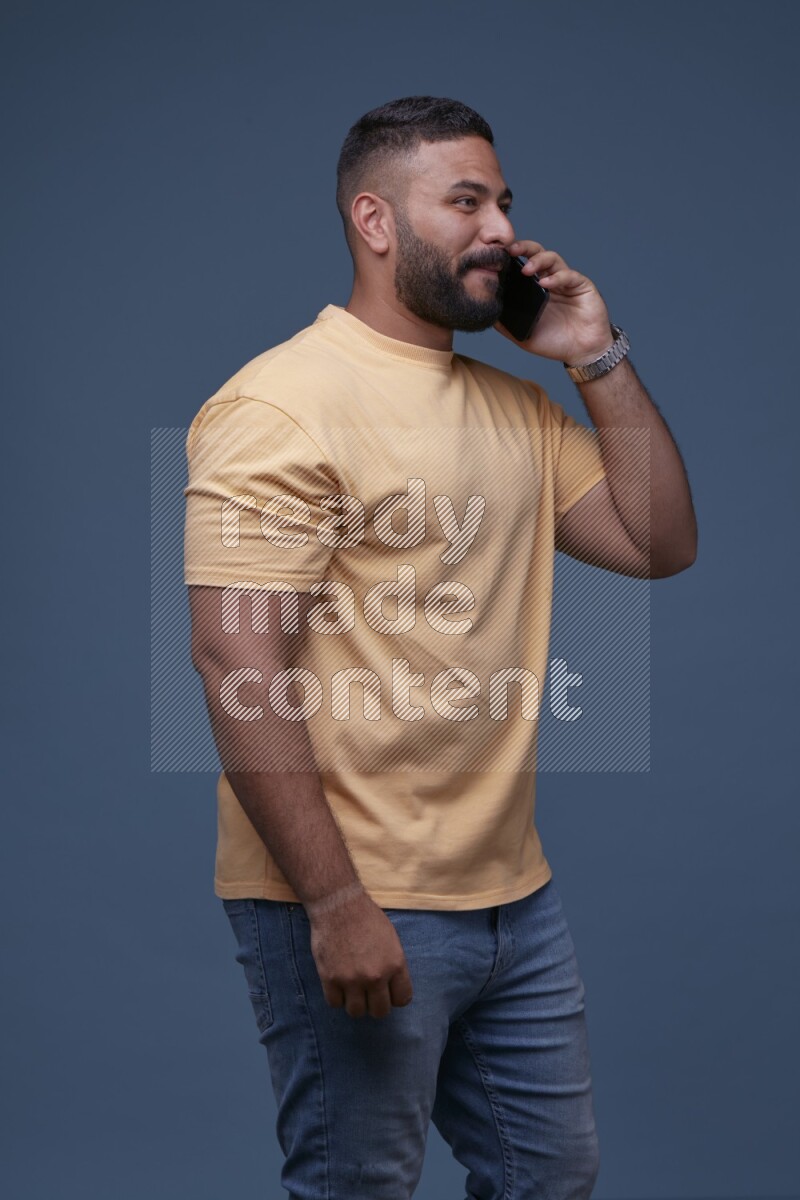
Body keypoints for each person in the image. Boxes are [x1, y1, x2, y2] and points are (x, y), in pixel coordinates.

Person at [183, 95, 697, 1200]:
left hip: (513, 895)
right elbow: (237, 667)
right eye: (463, 201)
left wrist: (595, 355)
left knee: (547, 1179)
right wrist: (333, 904)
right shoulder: (279, 406)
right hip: (354, 888)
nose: (501, 229)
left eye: (504, 201)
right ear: (374, 221)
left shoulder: (510, 410)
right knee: (356, 1185)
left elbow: (659, 543)